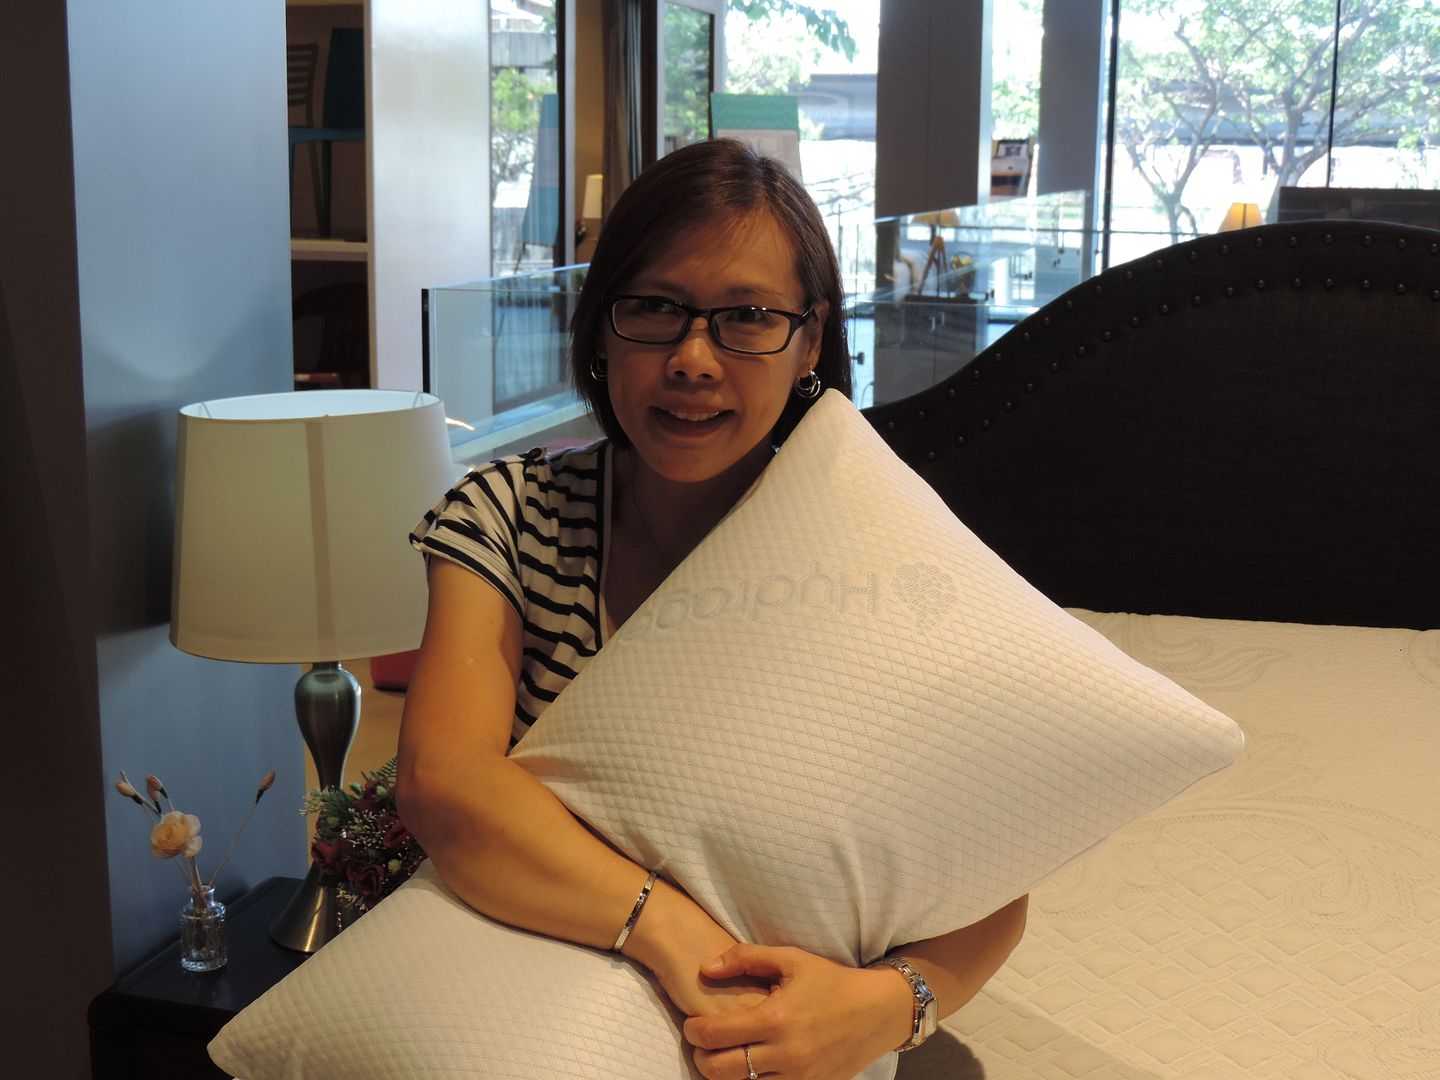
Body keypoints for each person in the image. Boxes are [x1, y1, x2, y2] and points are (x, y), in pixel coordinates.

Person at [399, 139, 1027, 1079]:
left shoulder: (876, 556)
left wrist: (886, 1008)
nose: (694, 359)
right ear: (601, 327)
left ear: (810, 341)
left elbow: (989, 876)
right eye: (655, 308)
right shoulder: (507, 518)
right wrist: (676, 938)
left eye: (748, 318)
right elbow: (443, 780)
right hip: (533, 1008)